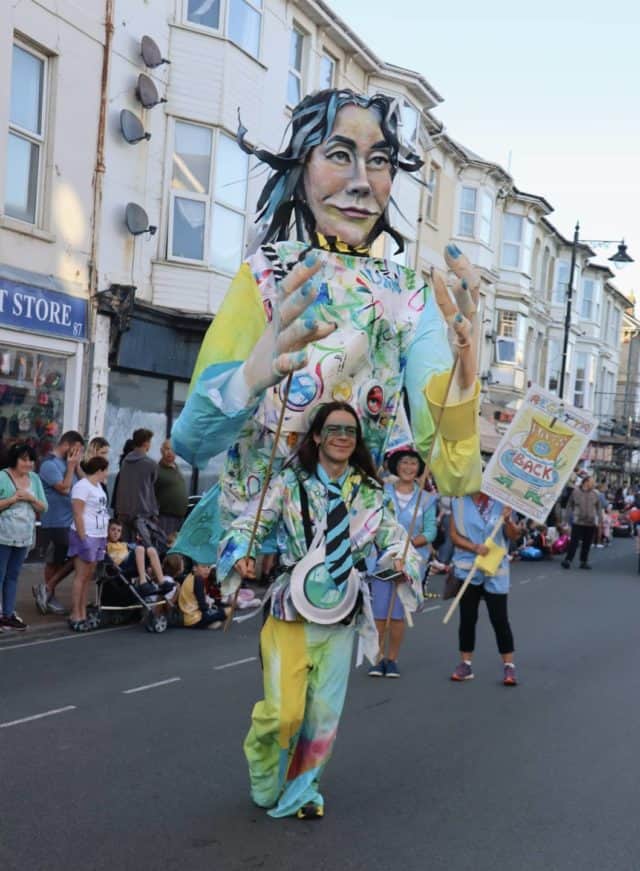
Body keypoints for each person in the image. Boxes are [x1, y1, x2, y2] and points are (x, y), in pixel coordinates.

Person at [171, 88, 483, 568]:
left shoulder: (409, 296)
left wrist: (463, 384)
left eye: (378, 161)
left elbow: (453, 473)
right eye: (340, 155)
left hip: (356, 538)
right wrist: (249, 379)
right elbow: (193, 444)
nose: (362, 182)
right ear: (303, 165)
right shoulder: (267, 275)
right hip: (267, 537)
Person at [217, 402, 424, 820]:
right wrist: (242, 552)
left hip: (342, 613)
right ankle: (264, 775)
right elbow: (249, 523)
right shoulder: (289, 483)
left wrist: (403, 561)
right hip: (290, 612)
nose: (343, 436)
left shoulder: (369, 492)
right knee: (283, 714)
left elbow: (393, 537)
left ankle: (303, 790)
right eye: (333, 429)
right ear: (316, 436)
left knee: (322, 719)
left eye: (350, 430)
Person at [368, 447, 437, 678]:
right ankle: (377, 659)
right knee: (379, 612)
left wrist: (407, 547)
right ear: (397, 466)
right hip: (381, 559)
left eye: (413, 464)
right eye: (404, 463)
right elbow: (372, 522)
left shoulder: (426, 499)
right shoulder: (381, 493)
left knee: (397, 614)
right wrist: (389, 548)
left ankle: (392, 659)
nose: (409, 468)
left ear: (419, 469)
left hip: (410, 561)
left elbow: (430, 532)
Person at [449, 492, 521, 686]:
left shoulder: (503, 502)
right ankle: (465, 664)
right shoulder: (459, 502)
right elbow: (454, 535)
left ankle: (509, 666)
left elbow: (514, 535)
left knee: (499, 619)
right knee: (467, 618)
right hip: (467, 569)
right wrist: (474, 547)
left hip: (495, 569)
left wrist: (508, 520)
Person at [33, 430, 85, 615]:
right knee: (54, 561)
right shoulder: (49, 464)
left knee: (77, 555)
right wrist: (71, 467)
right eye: (76, 450)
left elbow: (85, 485)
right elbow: (64, 488)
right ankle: (49, 593)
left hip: (70, 521)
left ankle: (46, 589)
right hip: (54, 522)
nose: (77, 454)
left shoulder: (69, 463)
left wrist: (76, 466)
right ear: (67, 445)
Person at [0, 443, 47, 631]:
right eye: (23, 459)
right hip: (2, 535)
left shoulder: (34, 479)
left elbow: (44, 507)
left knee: (12, 576)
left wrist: (31, 498)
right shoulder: (2, 477)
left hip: (24, 536)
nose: (28, 463)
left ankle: (8, 614)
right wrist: (13, 499)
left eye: (30, 460)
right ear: (15, 460)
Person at [68, 456, 110, 631]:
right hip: (86, 533)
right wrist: (83, 537)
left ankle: (83, 610)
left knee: (88, 577)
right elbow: (78, 514)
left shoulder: (98, 486)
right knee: (81, 575)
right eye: (106, 470)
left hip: (99, 533)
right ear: (99, 470)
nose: (107, 474)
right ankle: (75, 614)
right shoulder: (82, 487)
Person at [105, 518, 173, 594]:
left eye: (119, 531)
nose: (116, 533)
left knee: (151, 550)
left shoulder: (124, 544)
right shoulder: (105, 544)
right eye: (113, 530)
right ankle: (143, 582)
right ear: (107, 530)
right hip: (121, 566)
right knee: (139, 548)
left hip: (133, 563)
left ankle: (162, 582)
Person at [114, 428, 159, 542]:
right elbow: (152, 486)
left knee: (125, 548)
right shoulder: (151, 464)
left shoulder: (125, 462)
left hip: (123, 511)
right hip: (142, 513)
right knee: (143, 549)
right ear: (146, 443)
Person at [561, 475, 602, 571]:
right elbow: (569, 506)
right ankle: (568, 560)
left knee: (587, 543)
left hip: (590, 522)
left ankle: (583, 561)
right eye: (592, 481)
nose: (594, 484)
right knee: (574, 542)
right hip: (578, 521)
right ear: (586, 482)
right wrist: (566, 520)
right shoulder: (575, 492)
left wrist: (600, 520)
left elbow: (599, 508)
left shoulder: (595, 494)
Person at [177, 561, 229, 628]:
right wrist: (213, 610)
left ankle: (210, 623)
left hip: (187, 618)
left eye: (208, 567)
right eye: (204, 567)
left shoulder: (189, 577)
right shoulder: (198, 579)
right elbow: (203, 607)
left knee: (217, 612)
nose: (207, 570)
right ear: (194, 568)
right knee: (228, 610)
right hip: (196, 618)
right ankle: (207, 623)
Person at [155, 439, 188, 537]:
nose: (170, 452)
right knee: (164, 545)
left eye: (173, 450)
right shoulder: (157, 470)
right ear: (161, 451)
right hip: (165, 517)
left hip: (180, 517)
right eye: (167, 449)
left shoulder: (176, 467)